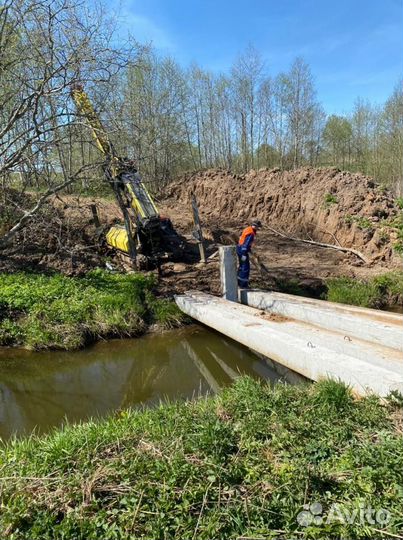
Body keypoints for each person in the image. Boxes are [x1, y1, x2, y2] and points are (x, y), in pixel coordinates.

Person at [236, 220, 262, 288]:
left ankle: (238, 283)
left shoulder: (247, 229)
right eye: (258, 227)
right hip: (242, 250)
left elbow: (242, 240)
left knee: (241, 266)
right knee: (245, 267)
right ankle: (243, 285)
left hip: (239, 248)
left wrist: (248, 250)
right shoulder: (251, 233)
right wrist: (244, 254)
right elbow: (246, 243)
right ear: (256, 226)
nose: (258, 229)